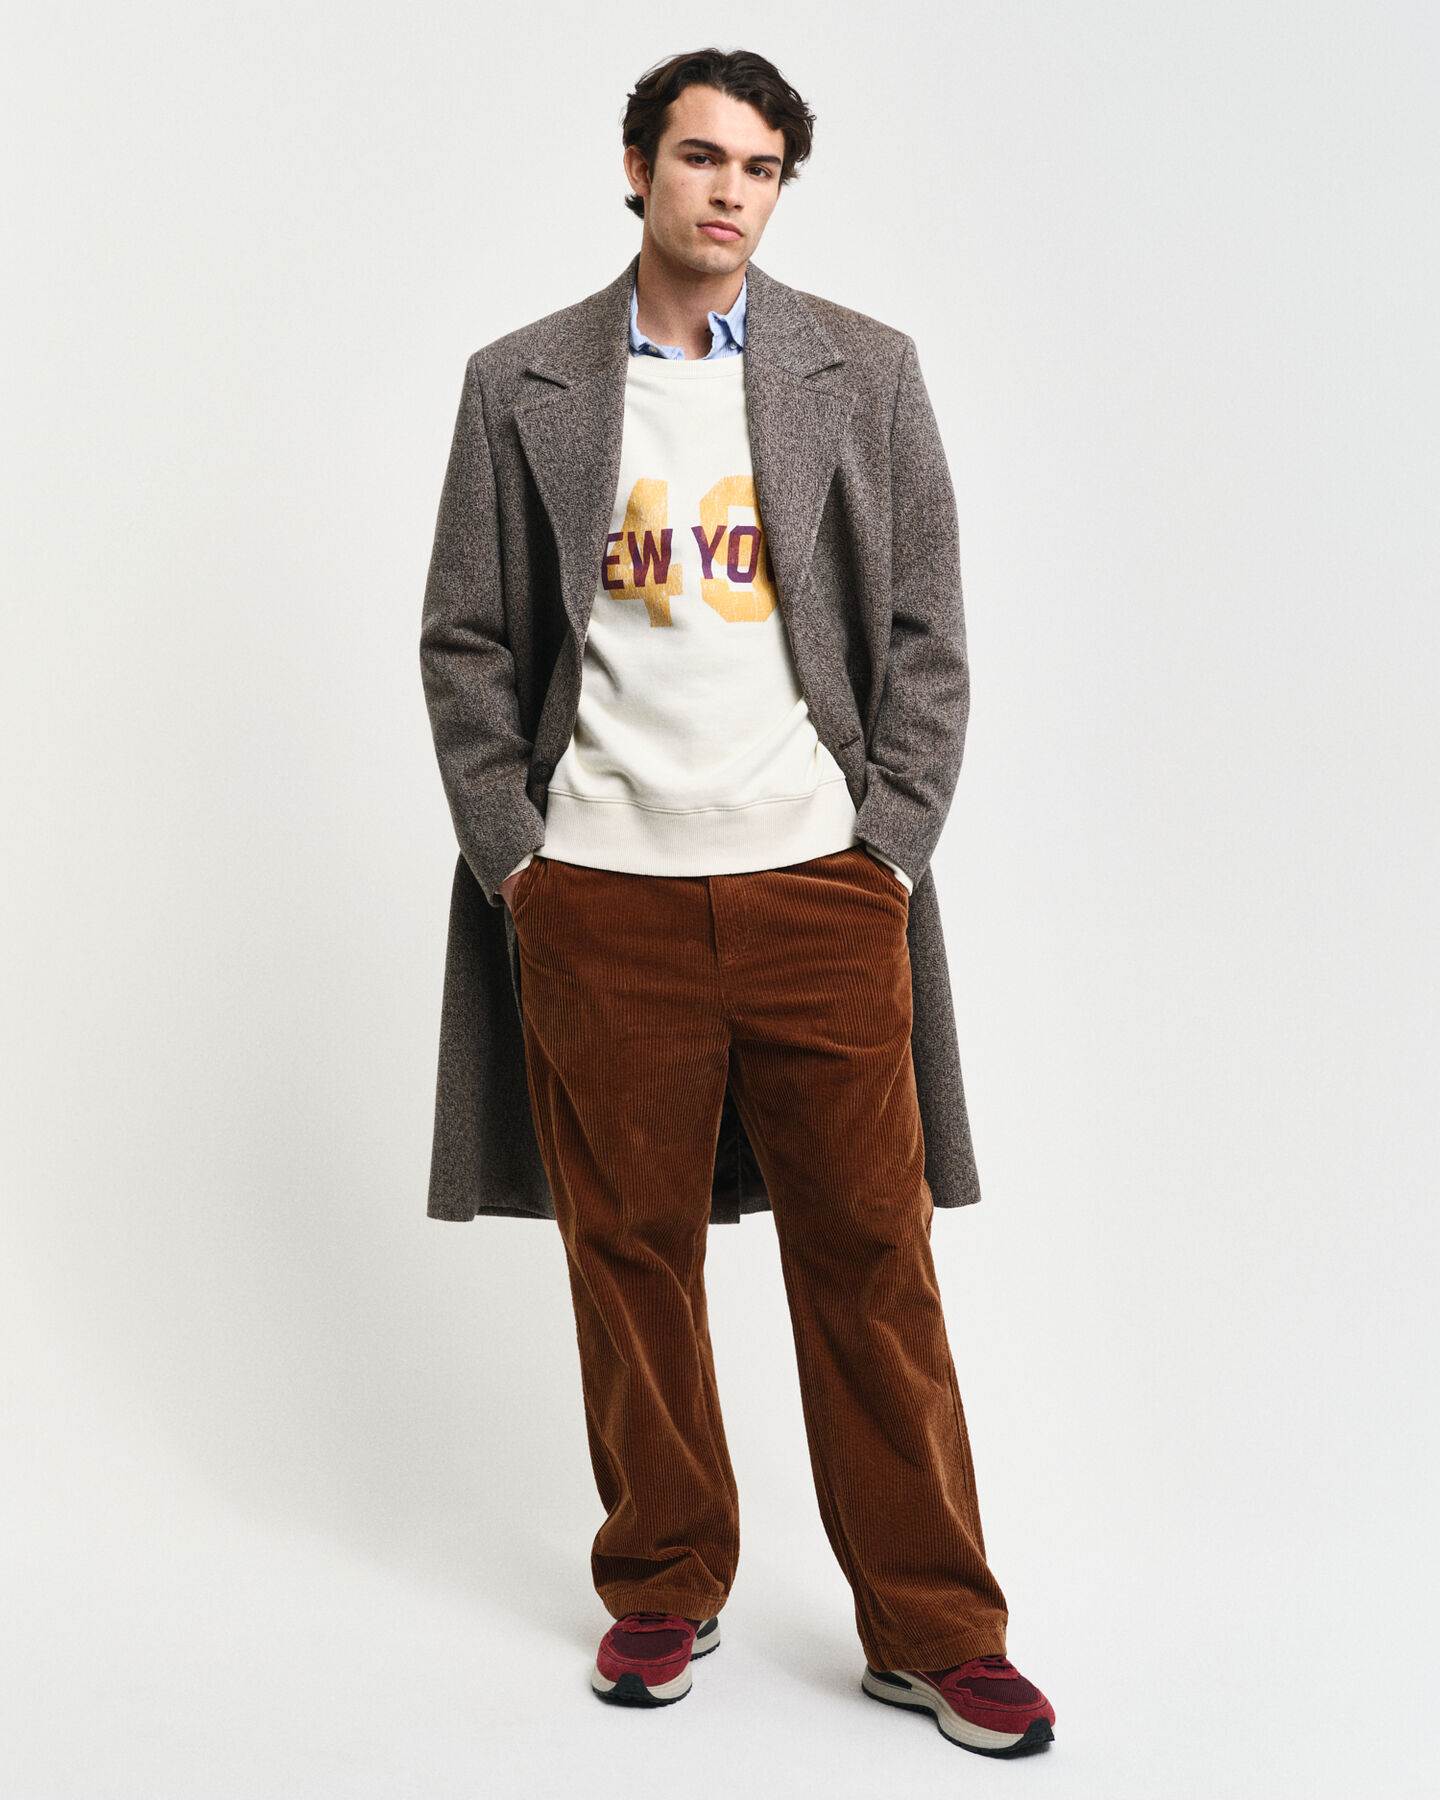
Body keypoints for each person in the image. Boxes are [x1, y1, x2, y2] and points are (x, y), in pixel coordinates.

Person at [419, 46, 1055, 1758]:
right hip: (600, 897)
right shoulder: (521, 382)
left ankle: (935, 1627)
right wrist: (519, 861)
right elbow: (465, 638)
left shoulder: (867, 368)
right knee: (630, 1259)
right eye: (701, 157)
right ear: (637, 167)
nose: (729, 191)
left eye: (760, 167)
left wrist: (887, 848)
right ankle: (662, 1581)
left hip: (817, 890)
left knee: (874, 1259)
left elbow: (928, 630)